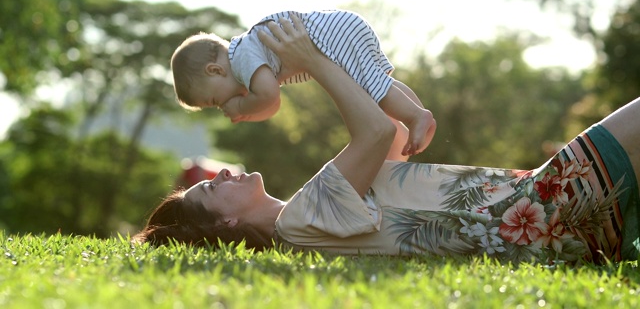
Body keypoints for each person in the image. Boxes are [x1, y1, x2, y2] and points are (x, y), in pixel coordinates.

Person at [135, 15, 640, 264]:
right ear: (226, 220)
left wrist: (390, 94)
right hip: (546, 210)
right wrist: (312, 61)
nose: (219, 172)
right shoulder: (299, 221)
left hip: (542, 211)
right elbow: (375, 132)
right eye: (210, 188)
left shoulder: (314, 209)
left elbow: (391, 134)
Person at [170, 9, 435, 156]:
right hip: (340, 27)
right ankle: (417, 114)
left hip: (331, 36)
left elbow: (270, 96)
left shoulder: (241, 58)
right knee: (374, 84)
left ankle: (415, 117)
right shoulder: (248, 57)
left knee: (373, 90)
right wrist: (250, 111)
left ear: (215, 70)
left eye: (215, 100)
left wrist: (241, 107)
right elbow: (271, 107)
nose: (223, 104)